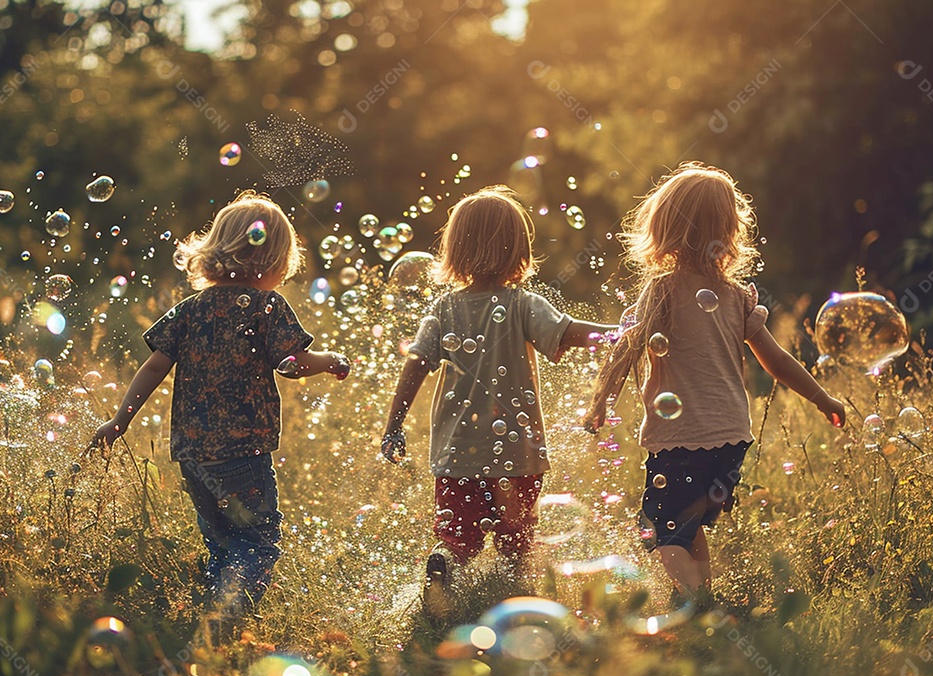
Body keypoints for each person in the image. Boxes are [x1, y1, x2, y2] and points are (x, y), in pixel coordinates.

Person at [586, 163, 845, 610]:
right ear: (729, 230)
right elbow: (777, 362)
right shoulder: (737, 296)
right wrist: (823, 398)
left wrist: (599, 400)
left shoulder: (662, 290)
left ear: (663, 226)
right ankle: (702, 599)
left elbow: (626, 348)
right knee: (690, 524)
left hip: (682, 437)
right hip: (731, 440)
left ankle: (696, 605)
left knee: (660, 526)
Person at [90, 190, 349, 628]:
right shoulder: (267, 305)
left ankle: (213, 607)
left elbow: (154, 365)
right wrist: (331, 361)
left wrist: (120, 419)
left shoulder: (191, 309)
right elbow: (291, 364)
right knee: (258, 541)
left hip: (192, 453)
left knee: (223, 541)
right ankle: (230, 616)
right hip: (243, 454)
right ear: (277, 259)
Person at [381, 185, 614, 616]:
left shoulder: (444, 309)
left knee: (457, 535)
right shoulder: (523, 303)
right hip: (517, 454)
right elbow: (569, 333)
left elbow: (412, 367)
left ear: (454, 250)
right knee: (516, 538)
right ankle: (514, 602)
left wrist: (393, 426)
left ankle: (446, 563)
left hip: (457, 454)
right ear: (519, 251)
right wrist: (618, 330)